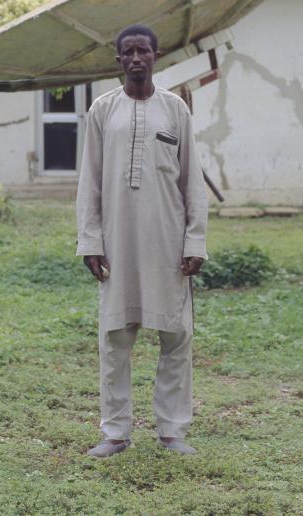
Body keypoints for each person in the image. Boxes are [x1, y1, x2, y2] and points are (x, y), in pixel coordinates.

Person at [76, 24, 208, 457]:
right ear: (118, 60)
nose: (136, 59)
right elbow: (89, 181)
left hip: (168, 244)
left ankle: (172, 430)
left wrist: (195, 243)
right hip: (117, 244)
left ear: (156, 56)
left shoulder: (175, 111)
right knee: (115, 338)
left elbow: (193, 183)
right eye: (128, 52)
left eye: (143, 52)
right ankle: (115, 433)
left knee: (176, 337)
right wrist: (90, 241)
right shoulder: (102, 110)